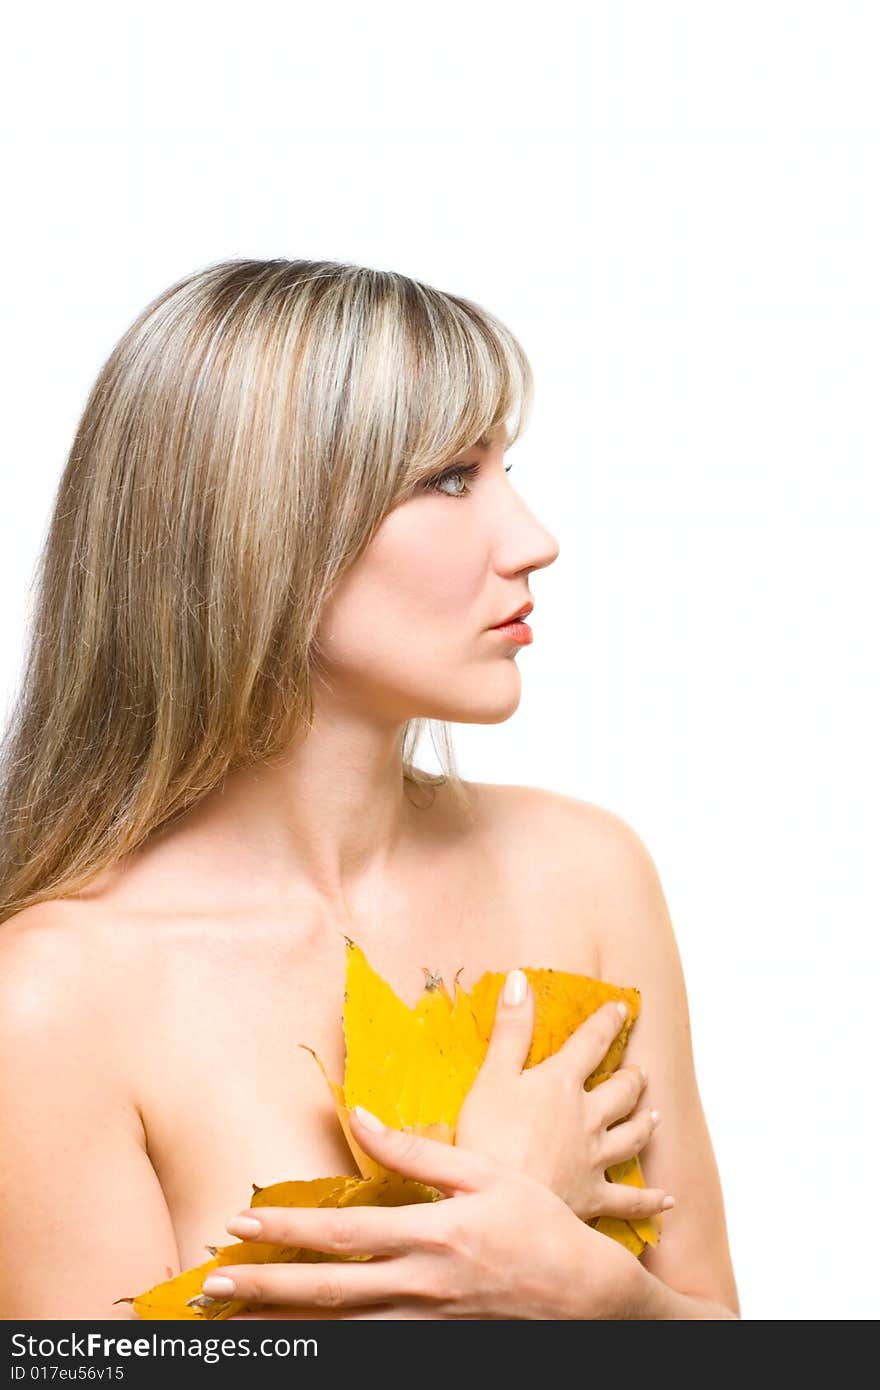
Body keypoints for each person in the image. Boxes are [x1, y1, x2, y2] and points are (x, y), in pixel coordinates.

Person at [0, 258, 738, 1320]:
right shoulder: (53, 1000)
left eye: (504, 468)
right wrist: (491, 1212)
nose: (533, 539)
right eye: (447, 478)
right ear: (256, 526)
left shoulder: (586, 873)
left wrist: (595, 1292)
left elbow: (717, 1329)